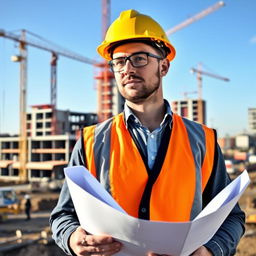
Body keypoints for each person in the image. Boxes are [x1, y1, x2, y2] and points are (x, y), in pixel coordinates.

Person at [50, 9, 245, 256]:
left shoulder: (202, 141)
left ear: (164, 66)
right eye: (119, 61)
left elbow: (232, 217)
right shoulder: (91, 142)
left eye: (139, 58)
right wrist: (71, 238)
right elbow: (63, 215)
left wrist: (210, 251)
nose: (127, 69)